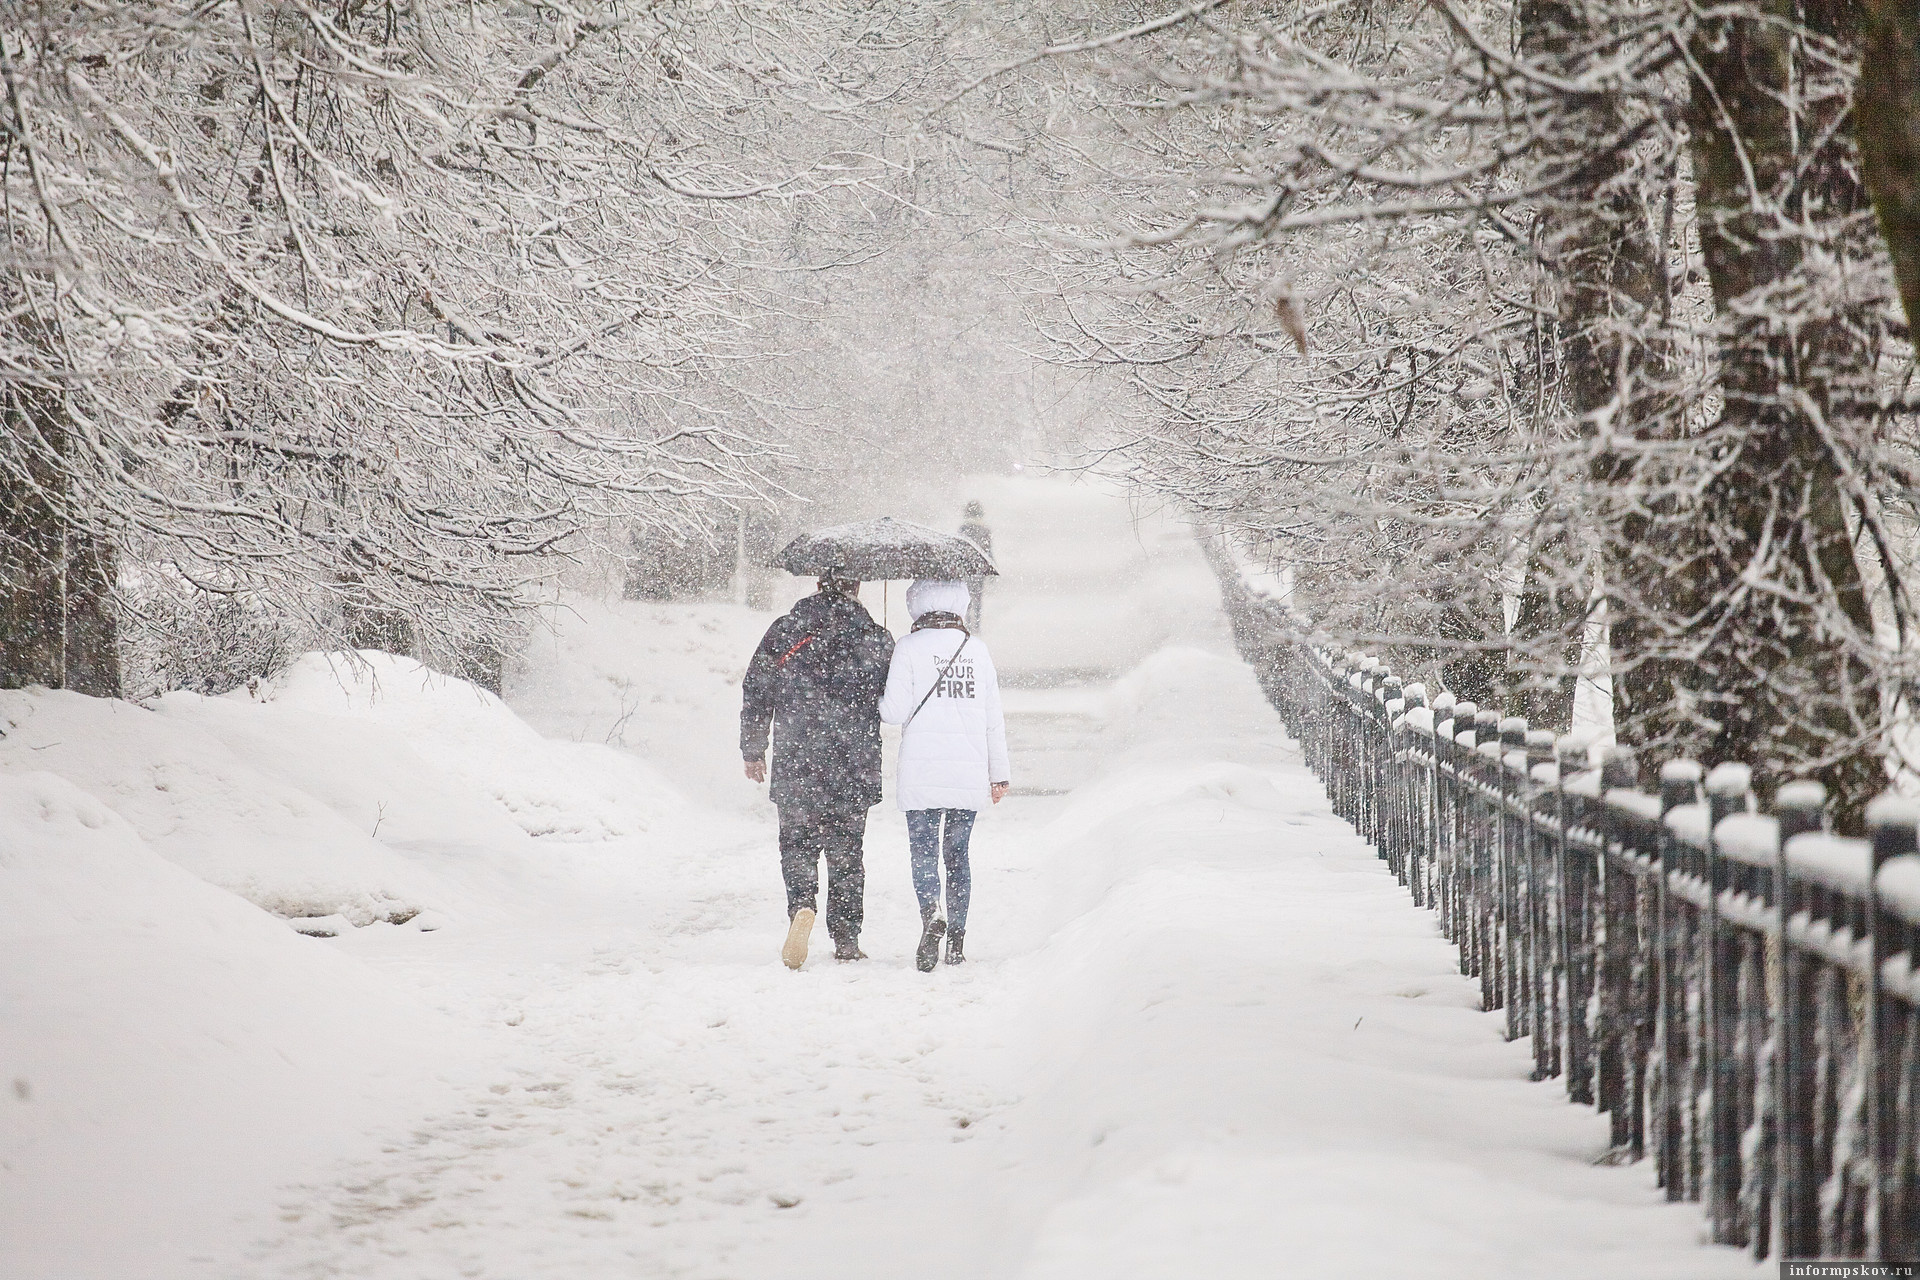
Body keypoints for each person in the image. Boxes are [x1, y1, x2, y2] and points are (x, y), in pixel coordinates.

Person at [740, 571, 893, 968]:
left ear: (819, 583)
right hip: (853, 762)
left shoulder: (786, 629)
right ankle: (846, 938)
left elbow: (757, 688)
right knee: (847, 853)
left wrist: (754, 749)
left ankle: (802, 908)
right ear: (856, 586)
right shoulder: (873, 636)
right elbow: (892, 699)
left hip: (797, 760)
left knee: (797, 845)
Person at [878, 580, 1010, 971]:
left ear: (915, 606)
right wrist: (998, 774)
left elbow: (893, 713)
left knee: (923, 853)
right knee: (957, 856)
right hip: (967, 769)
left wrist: (881, 688)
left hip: (922, 769)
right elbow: (993, 721)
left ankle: (931, 912)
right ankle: (956, 944)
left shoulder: (907, 647)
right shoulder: (977, 651)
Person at [958, 501, 992, 633]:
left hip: (966, 567)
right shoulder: (985, 530)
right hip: (979, 567)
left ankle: (967, 623)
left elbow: (959, 548)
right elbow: (988, 551)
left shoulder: (963, 529)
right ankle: (976, 624)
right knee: (978, 597)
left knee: (967, 596)